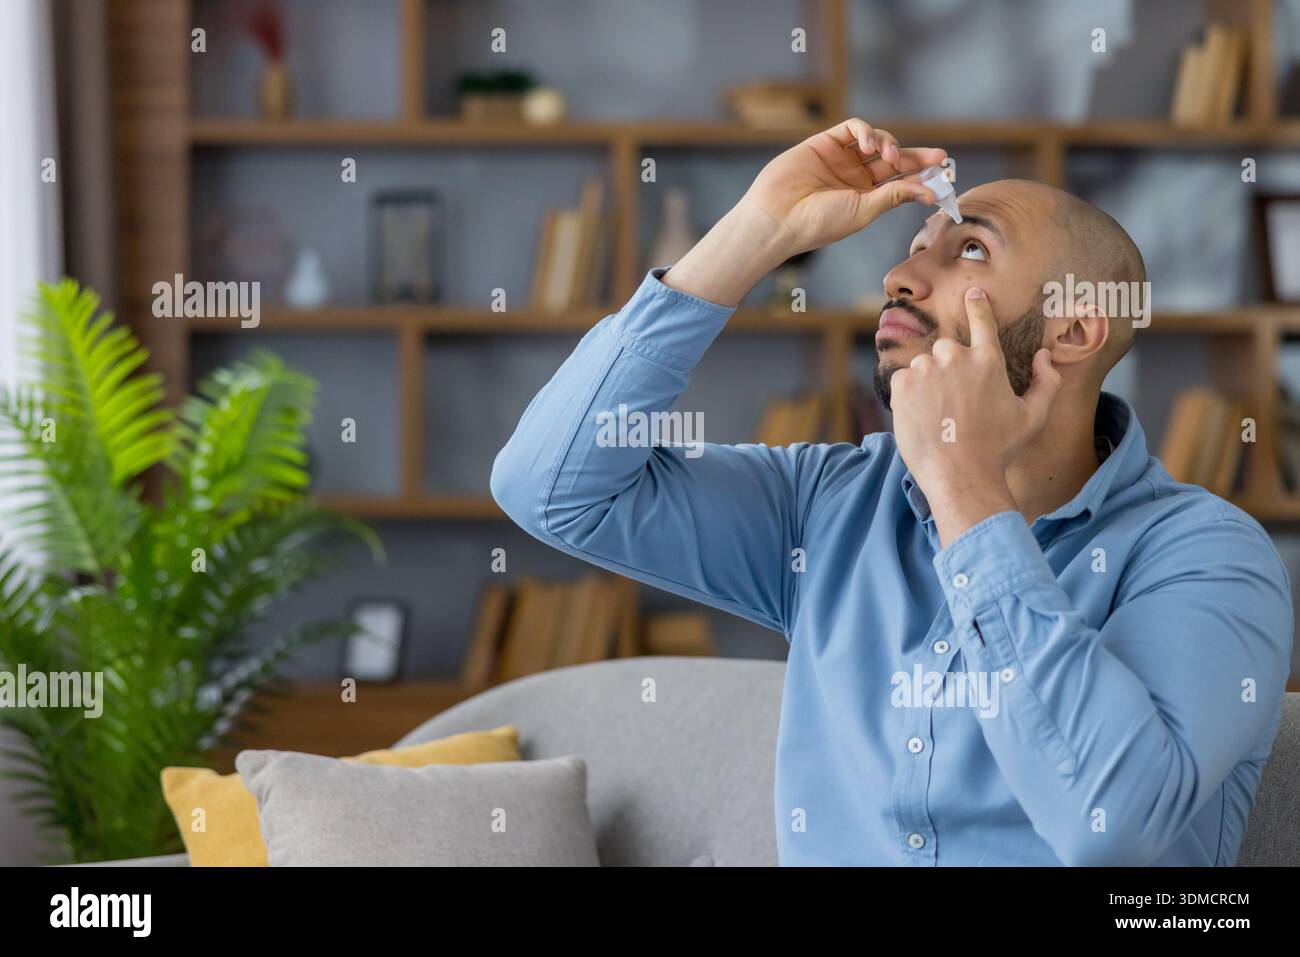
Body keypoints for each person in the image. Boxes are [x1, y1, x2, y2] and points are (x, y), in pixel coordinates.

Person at [490, 118, 1293, 866]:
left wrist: (963, 483)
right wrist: (757, 229)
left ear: (1074, 331)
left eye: (970, 250)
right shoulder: (830, 505)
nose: (900, 275)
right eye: (916, 246)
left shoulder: (1207, 555)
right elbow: (551, 488)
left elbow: (1111, 821)